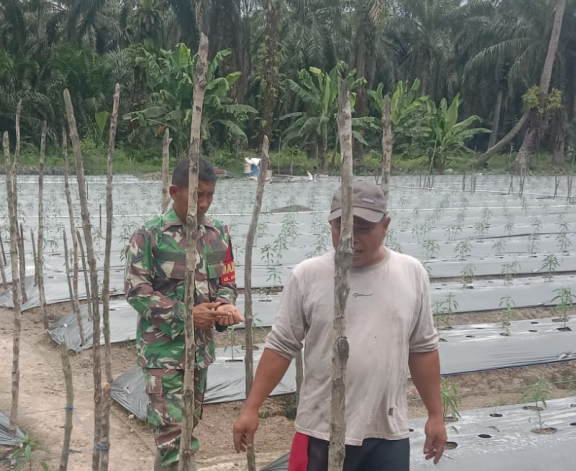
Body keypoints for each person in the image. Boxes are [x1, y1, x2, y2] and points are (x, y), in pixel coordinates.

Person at [232, 181, 446, 471]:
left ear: (385, 225)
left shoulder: (411, 273)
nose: (349, 238)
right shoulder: (308, 276)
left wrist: (436, 415)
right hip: (320, 430)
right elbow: (281, 346)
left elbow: (422, 349)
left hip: (387, 432)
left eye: (363, 228)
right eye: (340, 227)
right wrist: (251, 408)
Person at [125, 157, 244, 471]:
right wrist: (186, 314)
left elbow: (227, 282)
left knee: (185, 430)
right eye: (197, 195)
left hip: (200, 353)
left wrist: (224, 307)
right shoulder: (149, 236)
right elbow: (137, 292)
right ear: (174, 191)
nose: (203, 203)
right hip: (164, 354)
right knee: (175, 441)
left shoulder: (219, 234)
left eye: (209, 196)